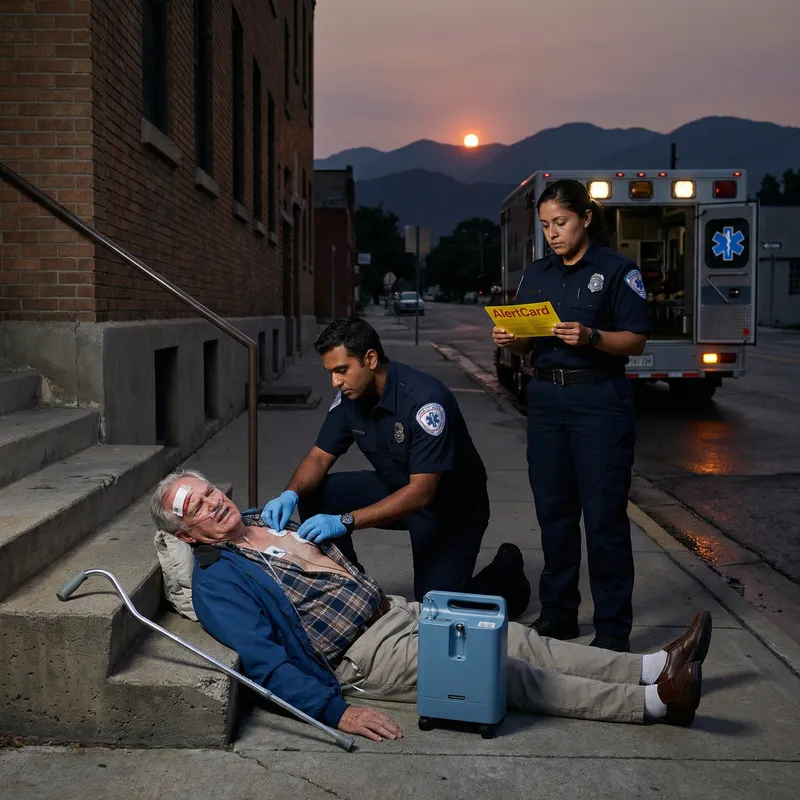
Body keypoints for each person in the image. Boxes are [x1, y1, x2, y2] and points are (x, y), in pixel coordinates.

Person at [151, 471, 712, 743]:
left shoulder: (260, 518)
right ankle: (656, 705)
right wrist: (332, 710)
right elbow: (266, 663)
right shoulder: (218, 584)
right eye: (194, 506)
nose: (212, 502)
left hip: (395, 610)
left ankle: (650, 667)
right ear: (188, 533)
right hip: (361, 655)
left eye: (208, 490)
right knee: (502, 669)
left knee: (517, 636)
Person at [262, 315, 531, 614]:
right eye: (331, 372)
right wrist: (290, 494)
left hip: (450, 509)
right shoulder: (349, 397)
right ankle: (351, 587)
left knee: (435, 613)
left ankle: (507, 576)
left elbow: (422, 494)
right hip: (397, 487)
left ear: (371, 358)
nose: (335, 382)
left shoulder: (425, 401)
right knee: (314, 492)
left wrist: (344, 521)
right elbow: (318, 457)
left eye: (341, 370)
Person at [492, 179, 652, 653]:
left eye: (560, 223)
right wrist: (509, 338)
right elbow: (525, 339)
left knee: (603, 518)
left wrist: (592, 337)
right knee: (554, 514)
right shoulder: (536, 275)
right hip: (546, 403)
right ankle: (559, 615)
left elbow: (636, 340)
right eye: (545, 226)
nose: (552, 234)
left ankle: (612, 628)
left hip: (599, 402)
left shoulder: (617, 271)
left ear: (585, 217)